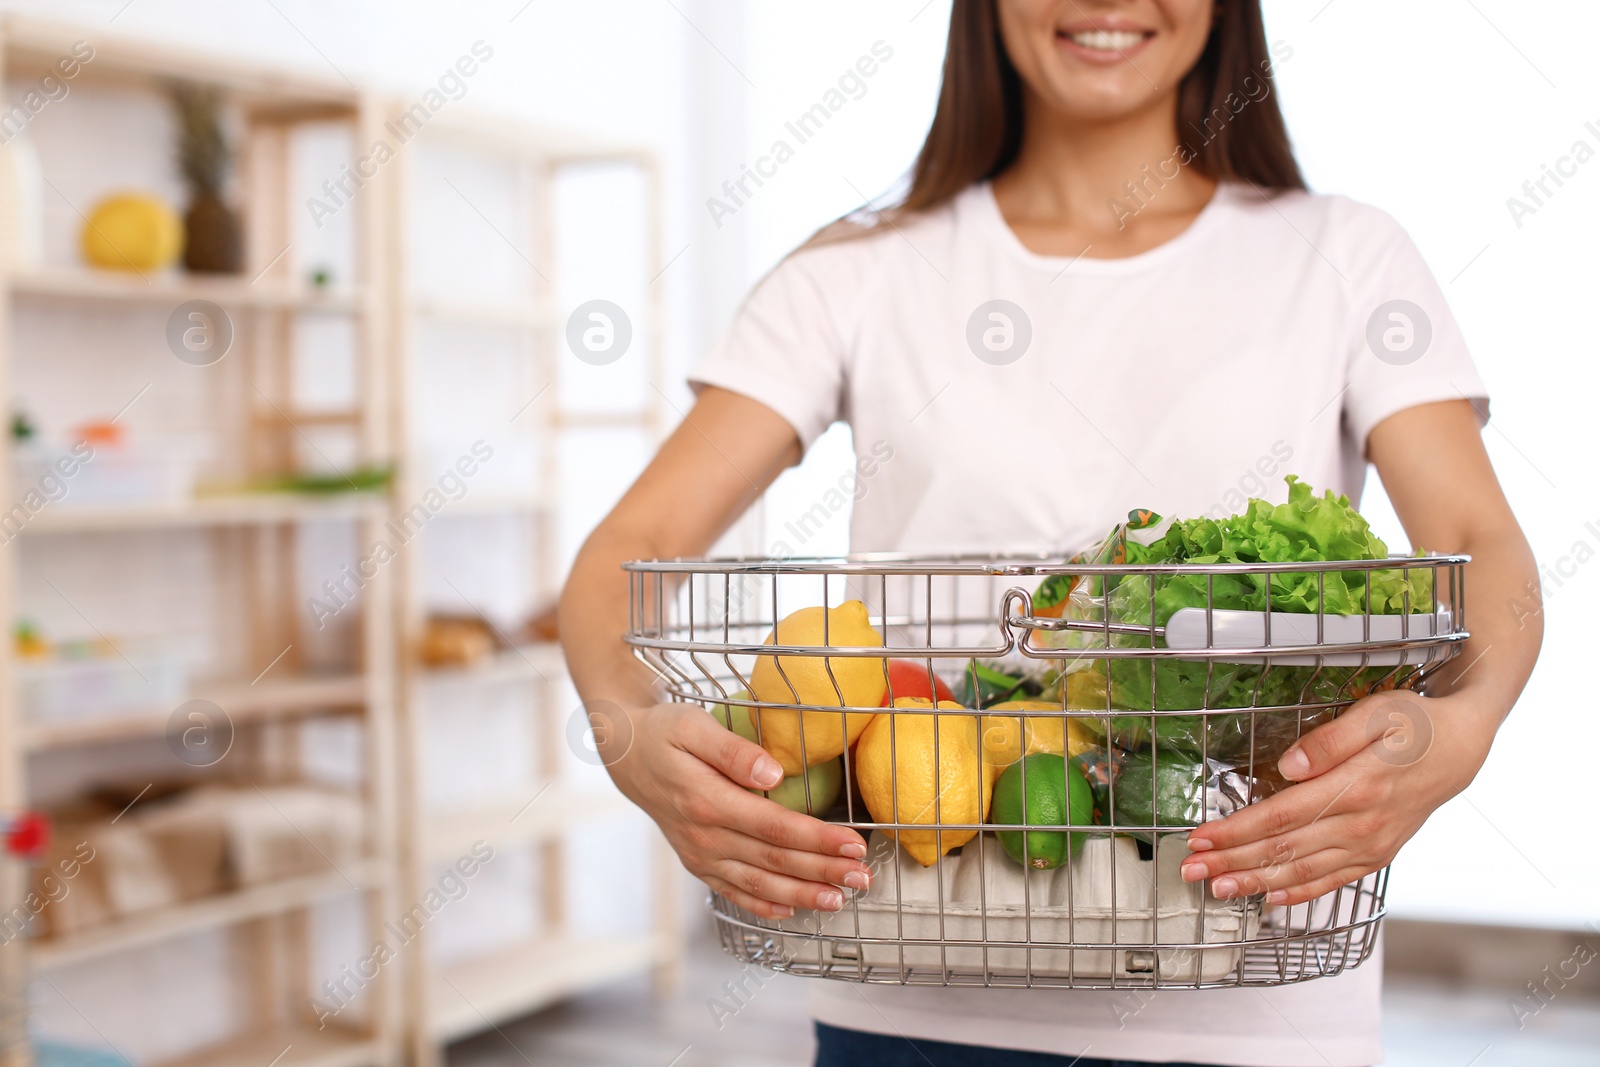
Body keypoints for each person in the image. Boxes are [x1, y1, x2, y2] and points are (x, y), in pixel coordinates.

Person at [559, 1, 1542, 1064]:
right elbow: (632, 545)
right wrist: (628, 732)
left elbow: (1475, 537)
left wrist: (1465, 723)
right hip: (914, 982)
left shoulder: (1345, 254)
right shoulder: (855, 268)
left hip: (1255, 993)